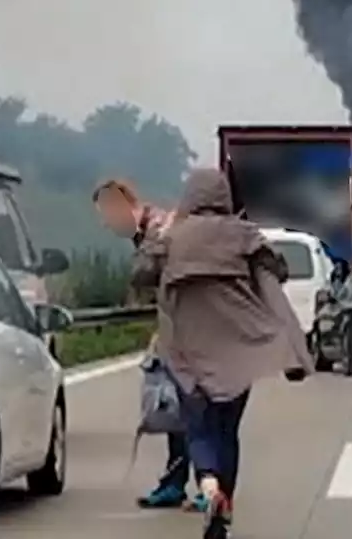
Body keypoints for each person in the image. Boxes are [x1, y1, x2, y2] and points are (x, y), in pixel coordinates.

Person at [131, 168, 311, 539]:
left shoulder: (174, 238)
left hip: (186, 353)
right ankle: (221, 508)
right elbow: (278, 270)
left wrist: (160, 239)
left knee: (198, 427)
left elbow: (140, 274)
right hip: (236, 350)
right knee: (227, 430)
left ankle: (208, 484)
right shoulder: (244, 234)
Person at [91, 179, 206, 512]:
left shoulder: (158, 229)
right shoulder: (148, 231)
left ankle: (205, 483)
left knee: (194, 409)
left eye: (107, 214)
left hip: (194, 330)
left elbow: (147, 274)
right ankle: (176, 482)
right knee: (173, 407)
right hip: (176, 329)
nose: (106, 223)